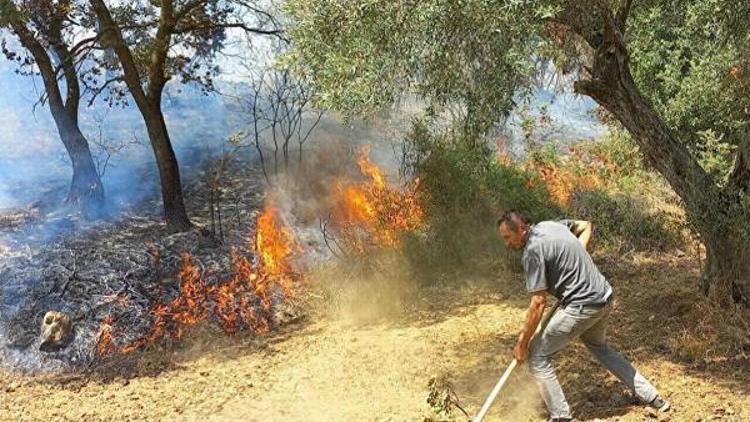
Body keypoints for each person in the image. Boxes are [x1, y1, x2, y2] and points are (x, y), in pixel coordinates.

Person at [497, 210, 670, 422]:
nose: (507, 243)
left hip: (583, 306)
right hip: (604, 296)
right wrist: (579, 252)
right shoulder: (550, 224)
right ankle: (652, 397)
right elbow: (585, 225)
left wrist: (522, 344)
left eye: (507, 237)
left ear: (522, 229)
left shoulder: (532, 251)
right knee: (600, 348)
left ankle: (561, 417)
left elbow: (538, 303)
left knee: (538, 356)